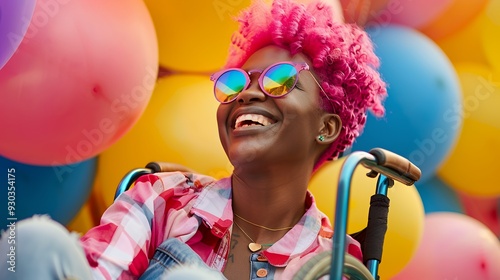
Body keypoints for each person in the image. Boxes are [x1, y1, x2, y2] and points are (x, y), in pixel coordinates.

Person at [0, 0, 386, 279]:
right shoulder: (162, 199)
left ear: (327, 128)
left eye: (280, 79)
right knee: (35, 243)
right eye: (235, 83)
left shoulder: (334, 265)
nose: (246, 94)